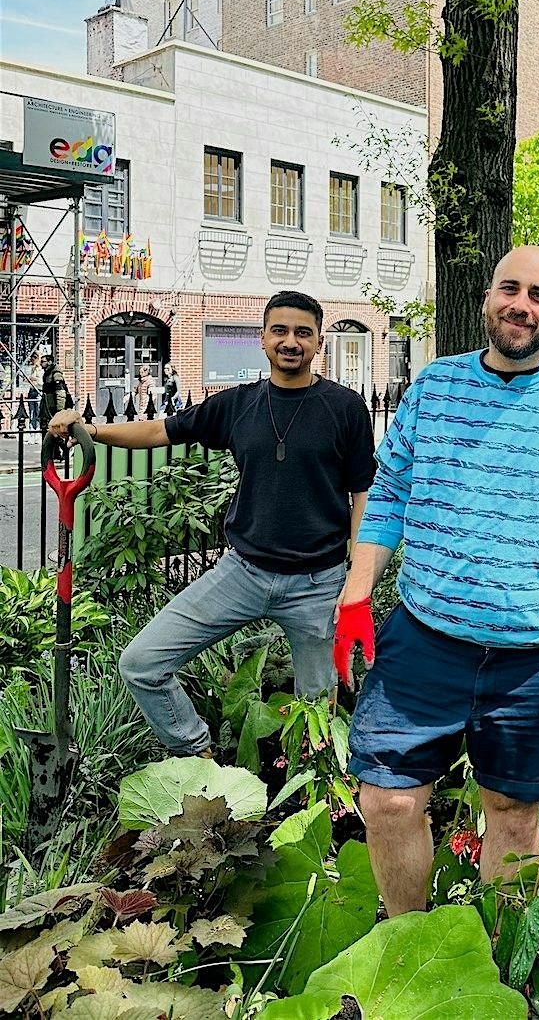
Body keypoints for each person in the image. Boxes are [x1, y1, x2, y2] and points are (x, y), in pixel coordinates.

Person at [334, 246, 539, 915]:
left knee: (512, 815)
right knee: (387, 801)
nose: (521, 304)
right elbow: (390, 491)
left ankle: (496, 977)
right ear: (486, 296)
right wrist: (356, 595)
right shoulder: (435, 387)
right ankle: (407, 953)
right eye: (511, 287)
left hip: (536, 657)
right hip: (426, 639)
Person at [47, 290, 376, 758]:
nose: (290, 341)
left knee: (316, 713)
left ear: (319, 341)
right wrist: (91, 430)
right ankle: (200, 757)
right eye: (279, 331)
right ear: (262, 339)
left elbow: (363, 493)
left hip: (317, 584)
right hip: (241, 574)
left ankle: (310, 800)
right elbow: (162, 430)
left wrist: (354, 580)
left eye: (303, 332)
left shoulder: (344, 408)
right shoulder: (238, 405)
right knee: (142, 663)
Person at [39, 359, 72, 434]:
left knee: (56, 428)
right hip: (49, 404)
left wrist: (59, 410)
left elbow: (60, 392)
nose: (41, 364)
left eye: (43, 361)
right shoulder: (47, 373)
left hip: (54, 406)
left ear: (49, 362)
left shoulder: (56, 373)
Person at [25, 351, 43, 431]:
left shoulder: (42, 369)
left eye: (35, 358)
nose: (33, 360)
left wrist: (35, 379)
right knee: (32, 412)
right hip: (32, 390)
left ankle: (38, 430)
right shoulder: (33, 368)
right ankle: (32, 430)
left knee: (38, 412)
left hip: (39, 391)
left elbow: (42, 382)